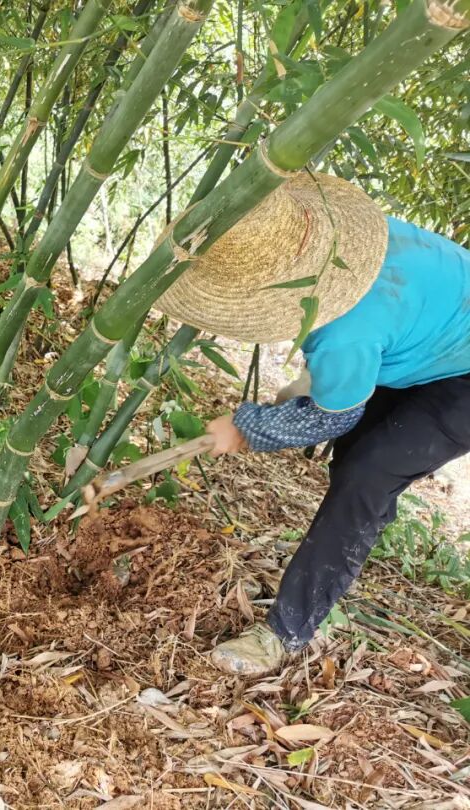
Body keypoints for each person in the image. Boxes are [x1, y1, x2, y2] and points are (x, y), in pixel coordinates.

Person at [157, 172, 470, 676]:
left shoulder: (345, 329)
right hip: (425, 338)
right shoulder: (344, 249)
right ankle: (359, 520)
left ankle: (288, 630)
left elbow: (333, 415)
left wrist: (246, 427)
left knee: (367, 473)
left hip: (461, 378)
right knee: (357, 460)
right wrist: (318, 382)